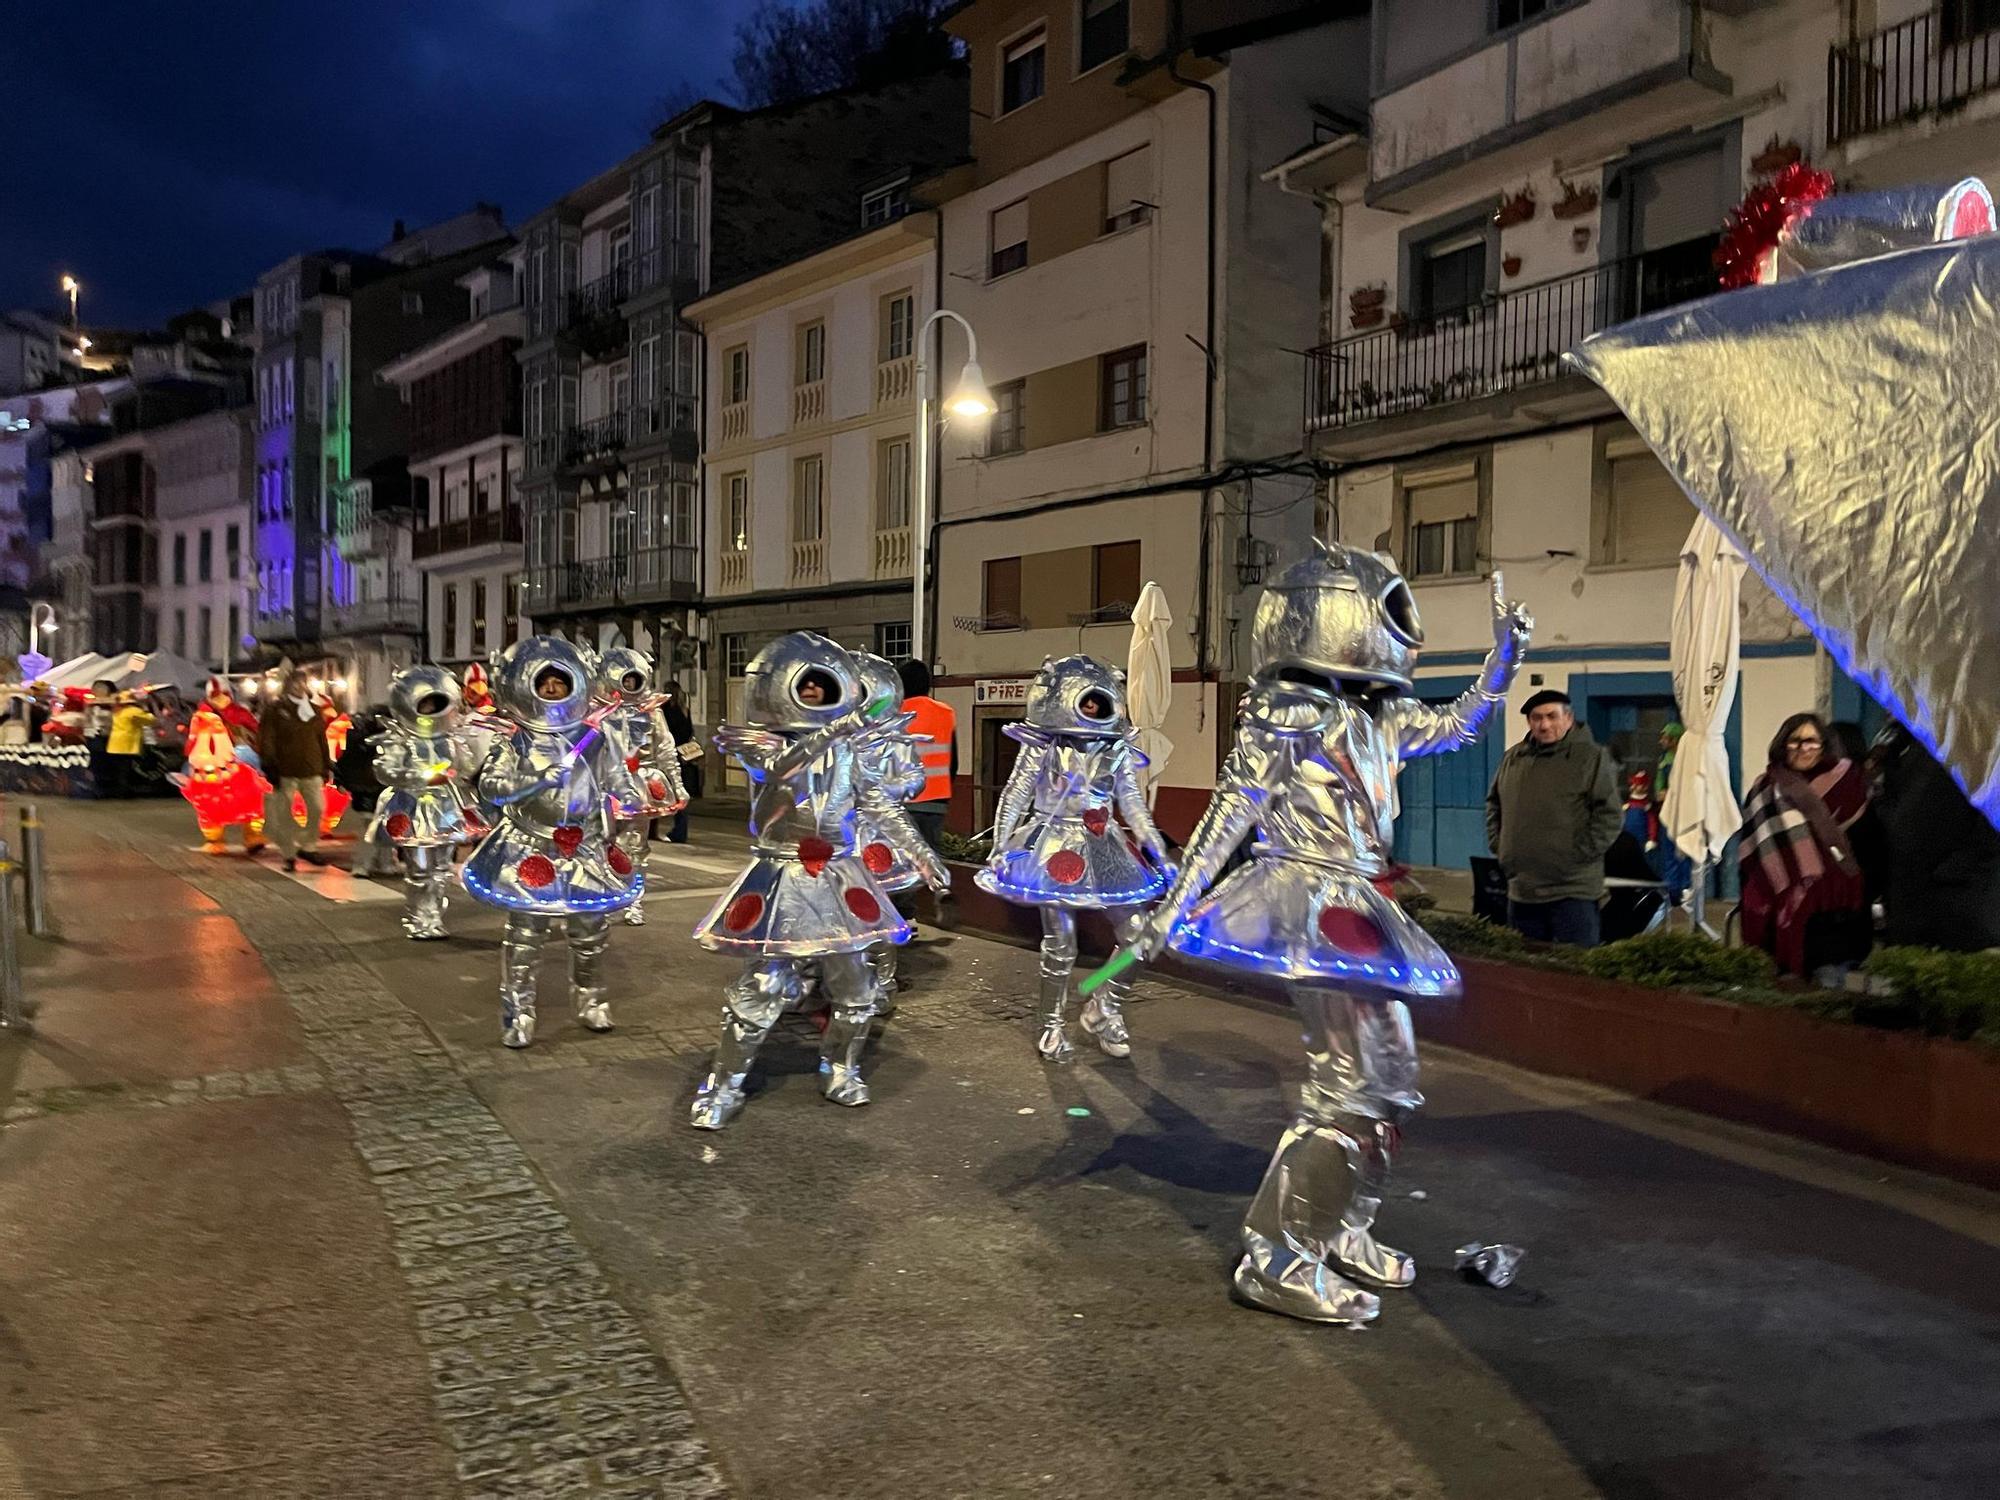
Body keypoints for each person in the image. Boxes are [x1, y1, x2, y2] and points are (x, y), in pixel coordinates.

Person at [1128, 545, 1532, 1326]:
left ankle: (1344, 1227)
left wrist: (1501, 664)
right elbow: (1230, 812)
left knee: (1388, 1084)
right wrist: (1174, 904)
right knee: (1354, 1087)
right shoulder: (1288, 713)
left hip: (1358, 901)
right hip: (1305, 901)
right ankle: (1277, 1256)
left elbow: (1456, 726)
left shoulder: (1381, 716)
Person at [688, 633, 945, 1130]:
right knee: (762, 987)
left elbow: (878, 805)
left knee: (856, 987)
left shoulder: (850, 750)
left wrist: (923, 853)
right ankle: (722, 1085)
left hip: (841, 874)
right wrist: (835, 732)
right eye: (806, 689)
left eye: (821, 690)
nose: (814, 699)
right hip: (783, 873)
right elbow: (784, 769)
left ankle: (840, 1068)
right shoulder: (763, 745)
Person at [977, 654, 1174, 1063]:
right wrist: (1000, 845)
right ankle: (1049, 1025)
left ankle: (1105, 1001)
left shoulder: (1117, 749)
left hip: (1104, 844)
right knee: (1061, 944)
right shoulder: (1043, 745)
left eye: (1096, 702)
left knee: (1140, 936)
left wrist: (1156, 847)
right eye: (1083, 701)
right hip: (1054, 845)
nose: (1089, 709)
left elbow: (1132, 804)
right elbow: (1015, 795)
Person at [462, 638, 637, 1047]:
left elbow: (618, 781)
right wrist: (538, 778)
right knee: (526, 933)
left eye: (561, 682)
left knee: (591, 930)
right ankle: (518, 1010)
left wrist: (630, 796)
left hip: (586, 844)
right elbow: (492, 786)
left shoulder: (596, 737)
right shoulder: (516, 739)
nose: (554, 689)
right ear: (532, 687)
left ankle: (590, 998)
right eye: (547, 683)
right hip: (531, 844)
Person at [1738, 711, 1871, 978]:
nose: (1803, 749)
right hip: (1775, 911)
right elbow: (1751, 852)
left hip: (1833, 917)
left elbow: (1867, 846)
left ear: (1824, 746)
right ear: (1782, 744)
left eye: (1811, 741)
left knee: (1829, 992)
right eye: (1795, 741)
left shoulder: (1849, 785)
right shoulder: (1763, 789)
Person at [1485, 689, 1622, 947]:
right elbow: (1494, 803)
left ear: (1568, 719)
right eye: (1536, 717)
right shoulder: (1514, 759)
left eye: (1551, 716)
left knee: (1576, 975)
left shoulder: (1591, 758)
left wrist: (1577, 855)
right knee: (1525, 973)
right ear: (1529, 722)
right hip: (1522, 889)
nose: (1544, 724)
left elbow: (1610, 814)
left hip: (1572, 891)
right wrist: (1501, 846)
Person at [373, 667, 486, 939]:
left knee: (441, 868)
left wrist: (465, 766)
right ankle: (420, 917)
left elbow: (467, 767)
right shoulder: (400, 738)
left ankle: (434, 913)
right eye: (424, 704)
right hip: (414, 809)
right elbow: (384, 770)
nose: (430, 710)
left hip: (447, 808)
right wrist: (419, 777)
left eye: (436, 704)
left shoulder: (453, 738)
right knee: (420, 868)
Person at [1871, 723, 2000, 950]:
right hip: (1932, 891)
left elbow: (1911, 828)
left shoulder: (1962, 745)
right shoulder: (1909, 740)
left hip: (1953, 897)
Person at [595, 646, 688, 928]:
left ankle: (634, 901)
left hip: (641, 784)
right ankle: (610, 898)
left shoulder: (651, 712)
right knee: (602, 844)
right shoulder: (597, 710)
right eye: (625, 679)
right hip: (605, 784)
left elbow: (666, 749)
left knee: (637, 847)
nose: (629, 686)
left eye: (634, 680)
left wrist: (679, 785)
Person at [257, 668, 333, 872]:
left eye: (303, 683)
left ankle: (309, 846)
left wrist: (327, 764)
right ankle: (289, 854)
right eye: (296, 683)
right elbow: (267, 739)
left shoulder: (314, 711)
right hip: (285, 769)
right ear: (288, 686)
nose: (300, 687)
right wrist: (269, 764)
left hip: (311, 768)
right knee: (285, 814)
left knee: (317, 808)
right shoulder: (276, 710)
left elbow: (321, 739)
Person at [896, 658, 956, 852]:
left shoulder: (893, 714)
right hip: (936, 802)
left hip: (901, 802)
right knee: (931, 862)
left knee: (903, 861)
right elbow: (953, 762)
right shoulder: (946, 713)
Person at [659, 680, 700, 844]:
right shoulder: (685, 710)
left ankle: (678, 831)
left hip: (671, 755)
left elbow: (664, 733)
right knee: (681, 793)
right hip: (685, 756)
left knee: (671, 793)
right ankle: (680, 829)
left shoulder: (665, 711)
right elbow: (690, 731)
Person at [106, 691, 156, 799]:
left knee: (119, 769)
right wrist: (146, 708)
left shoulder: (116, 711)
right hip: (127, 744)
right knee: (126, 769)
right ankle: (125, 792)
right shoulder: (133, 711)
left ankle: (118, 791)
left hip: (115, 744)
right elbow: (150, 720)